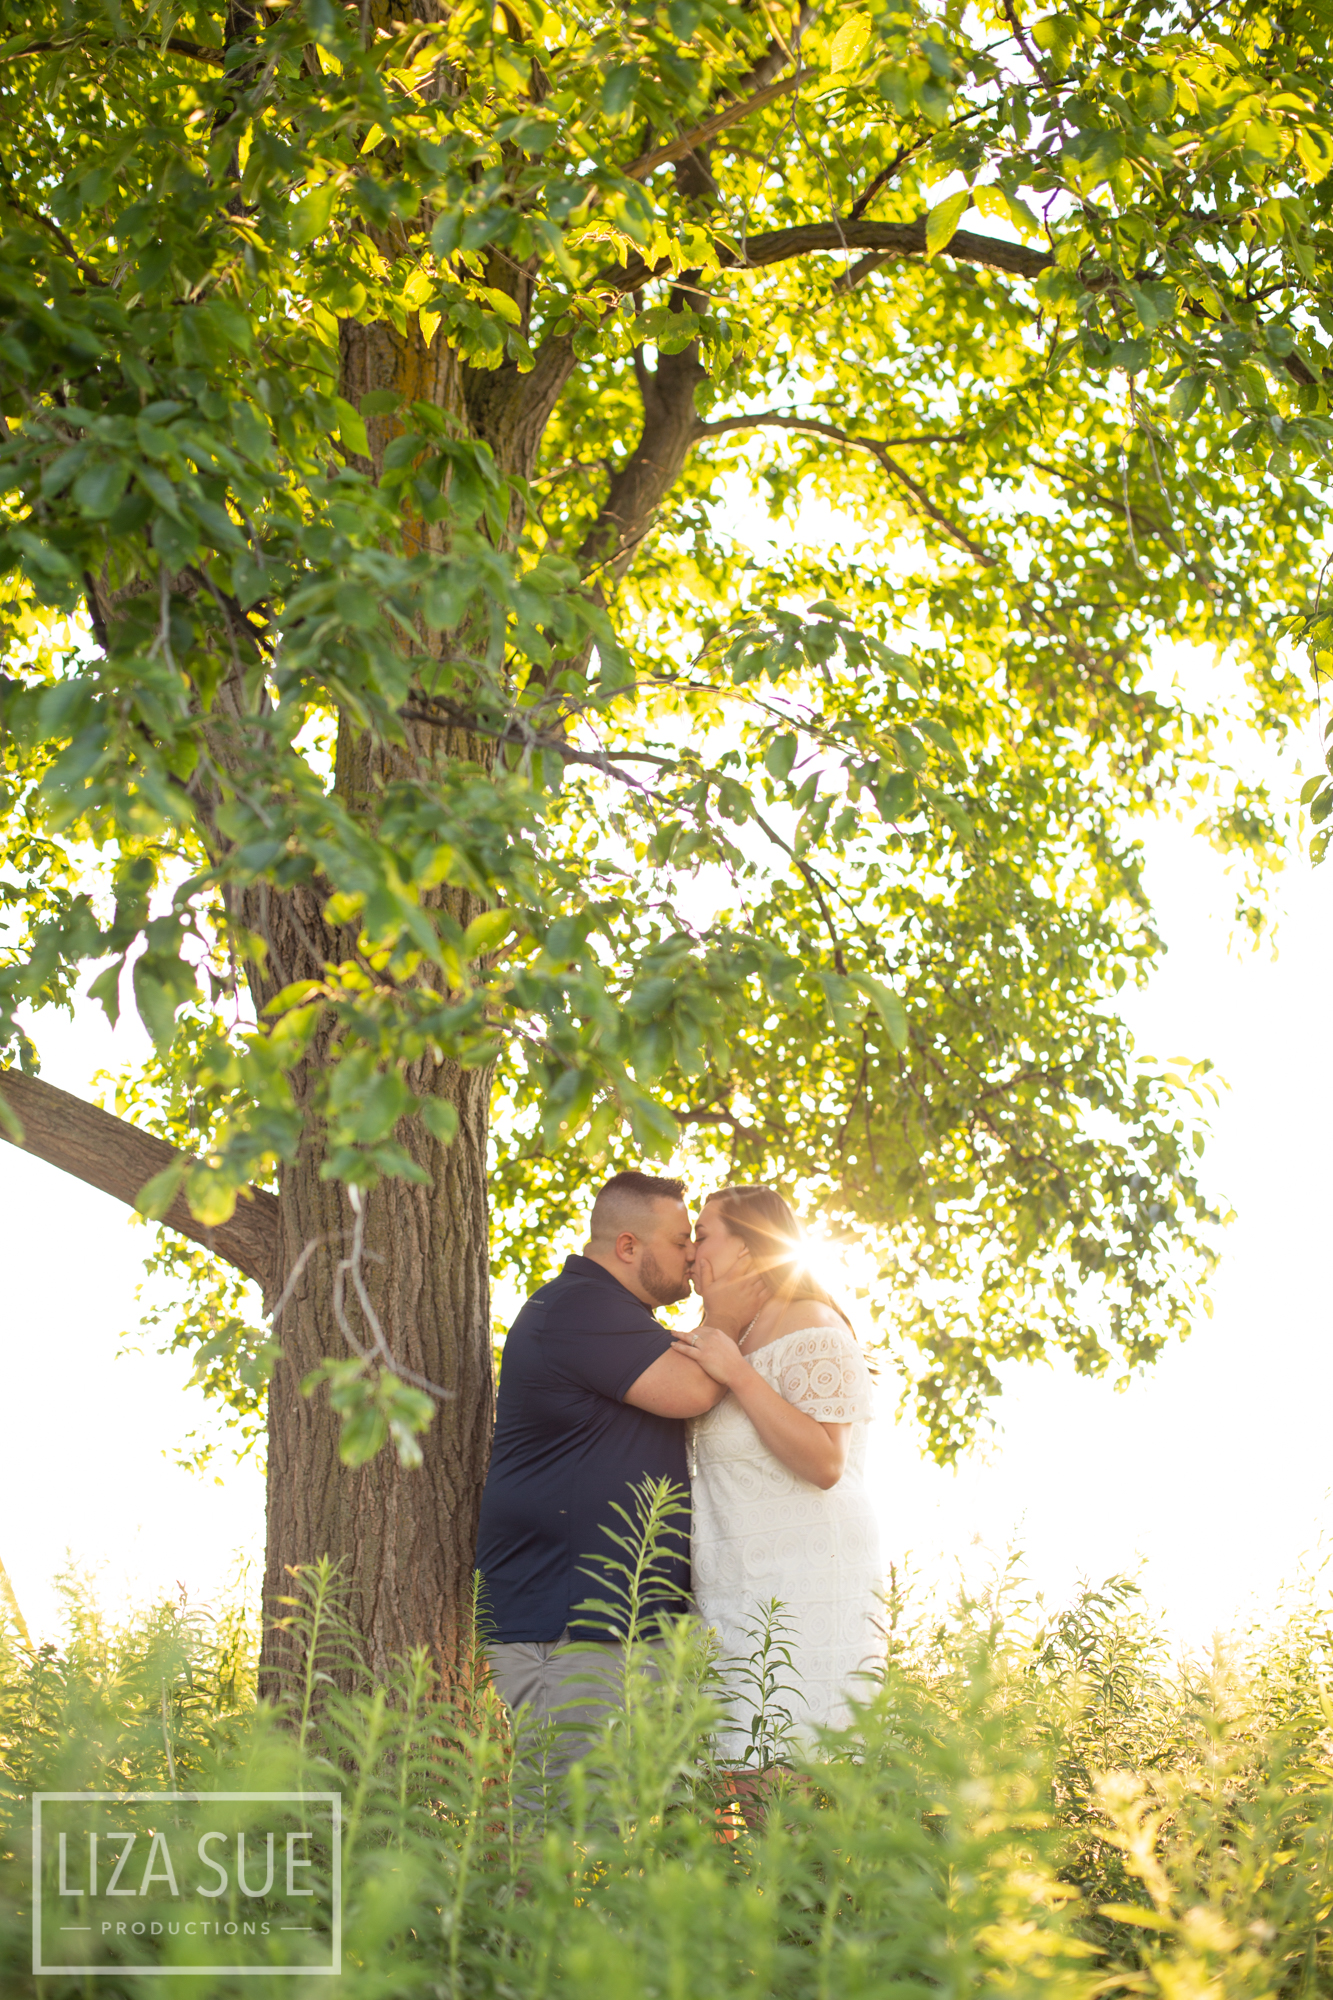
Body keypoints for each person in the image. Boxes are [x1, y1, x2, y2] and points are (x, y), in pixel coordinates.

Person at [476, 1168, 764, 1761]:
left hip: (618, 1623)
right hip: (572, 1621)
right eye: (681, 1240)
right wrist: (728, 1315)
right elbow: (690, 1390)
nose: (691, 1257)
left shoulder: (617, 1317)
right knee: (562, 1826)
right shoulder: (580, 1308)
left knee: (619, 1827)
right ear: (627, 1246)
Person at [674, 1184, 882, 1749]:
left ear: (747, 1247)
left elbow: (826, 1460)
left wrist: (739, 1373)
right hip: (734, 1588)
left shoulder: (810, 1323)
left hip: (802, 1588)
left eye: (703, 1235)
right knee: (731, 1781)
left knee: (776, 1782)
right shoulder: (731, 1333)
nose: (691, 1251)